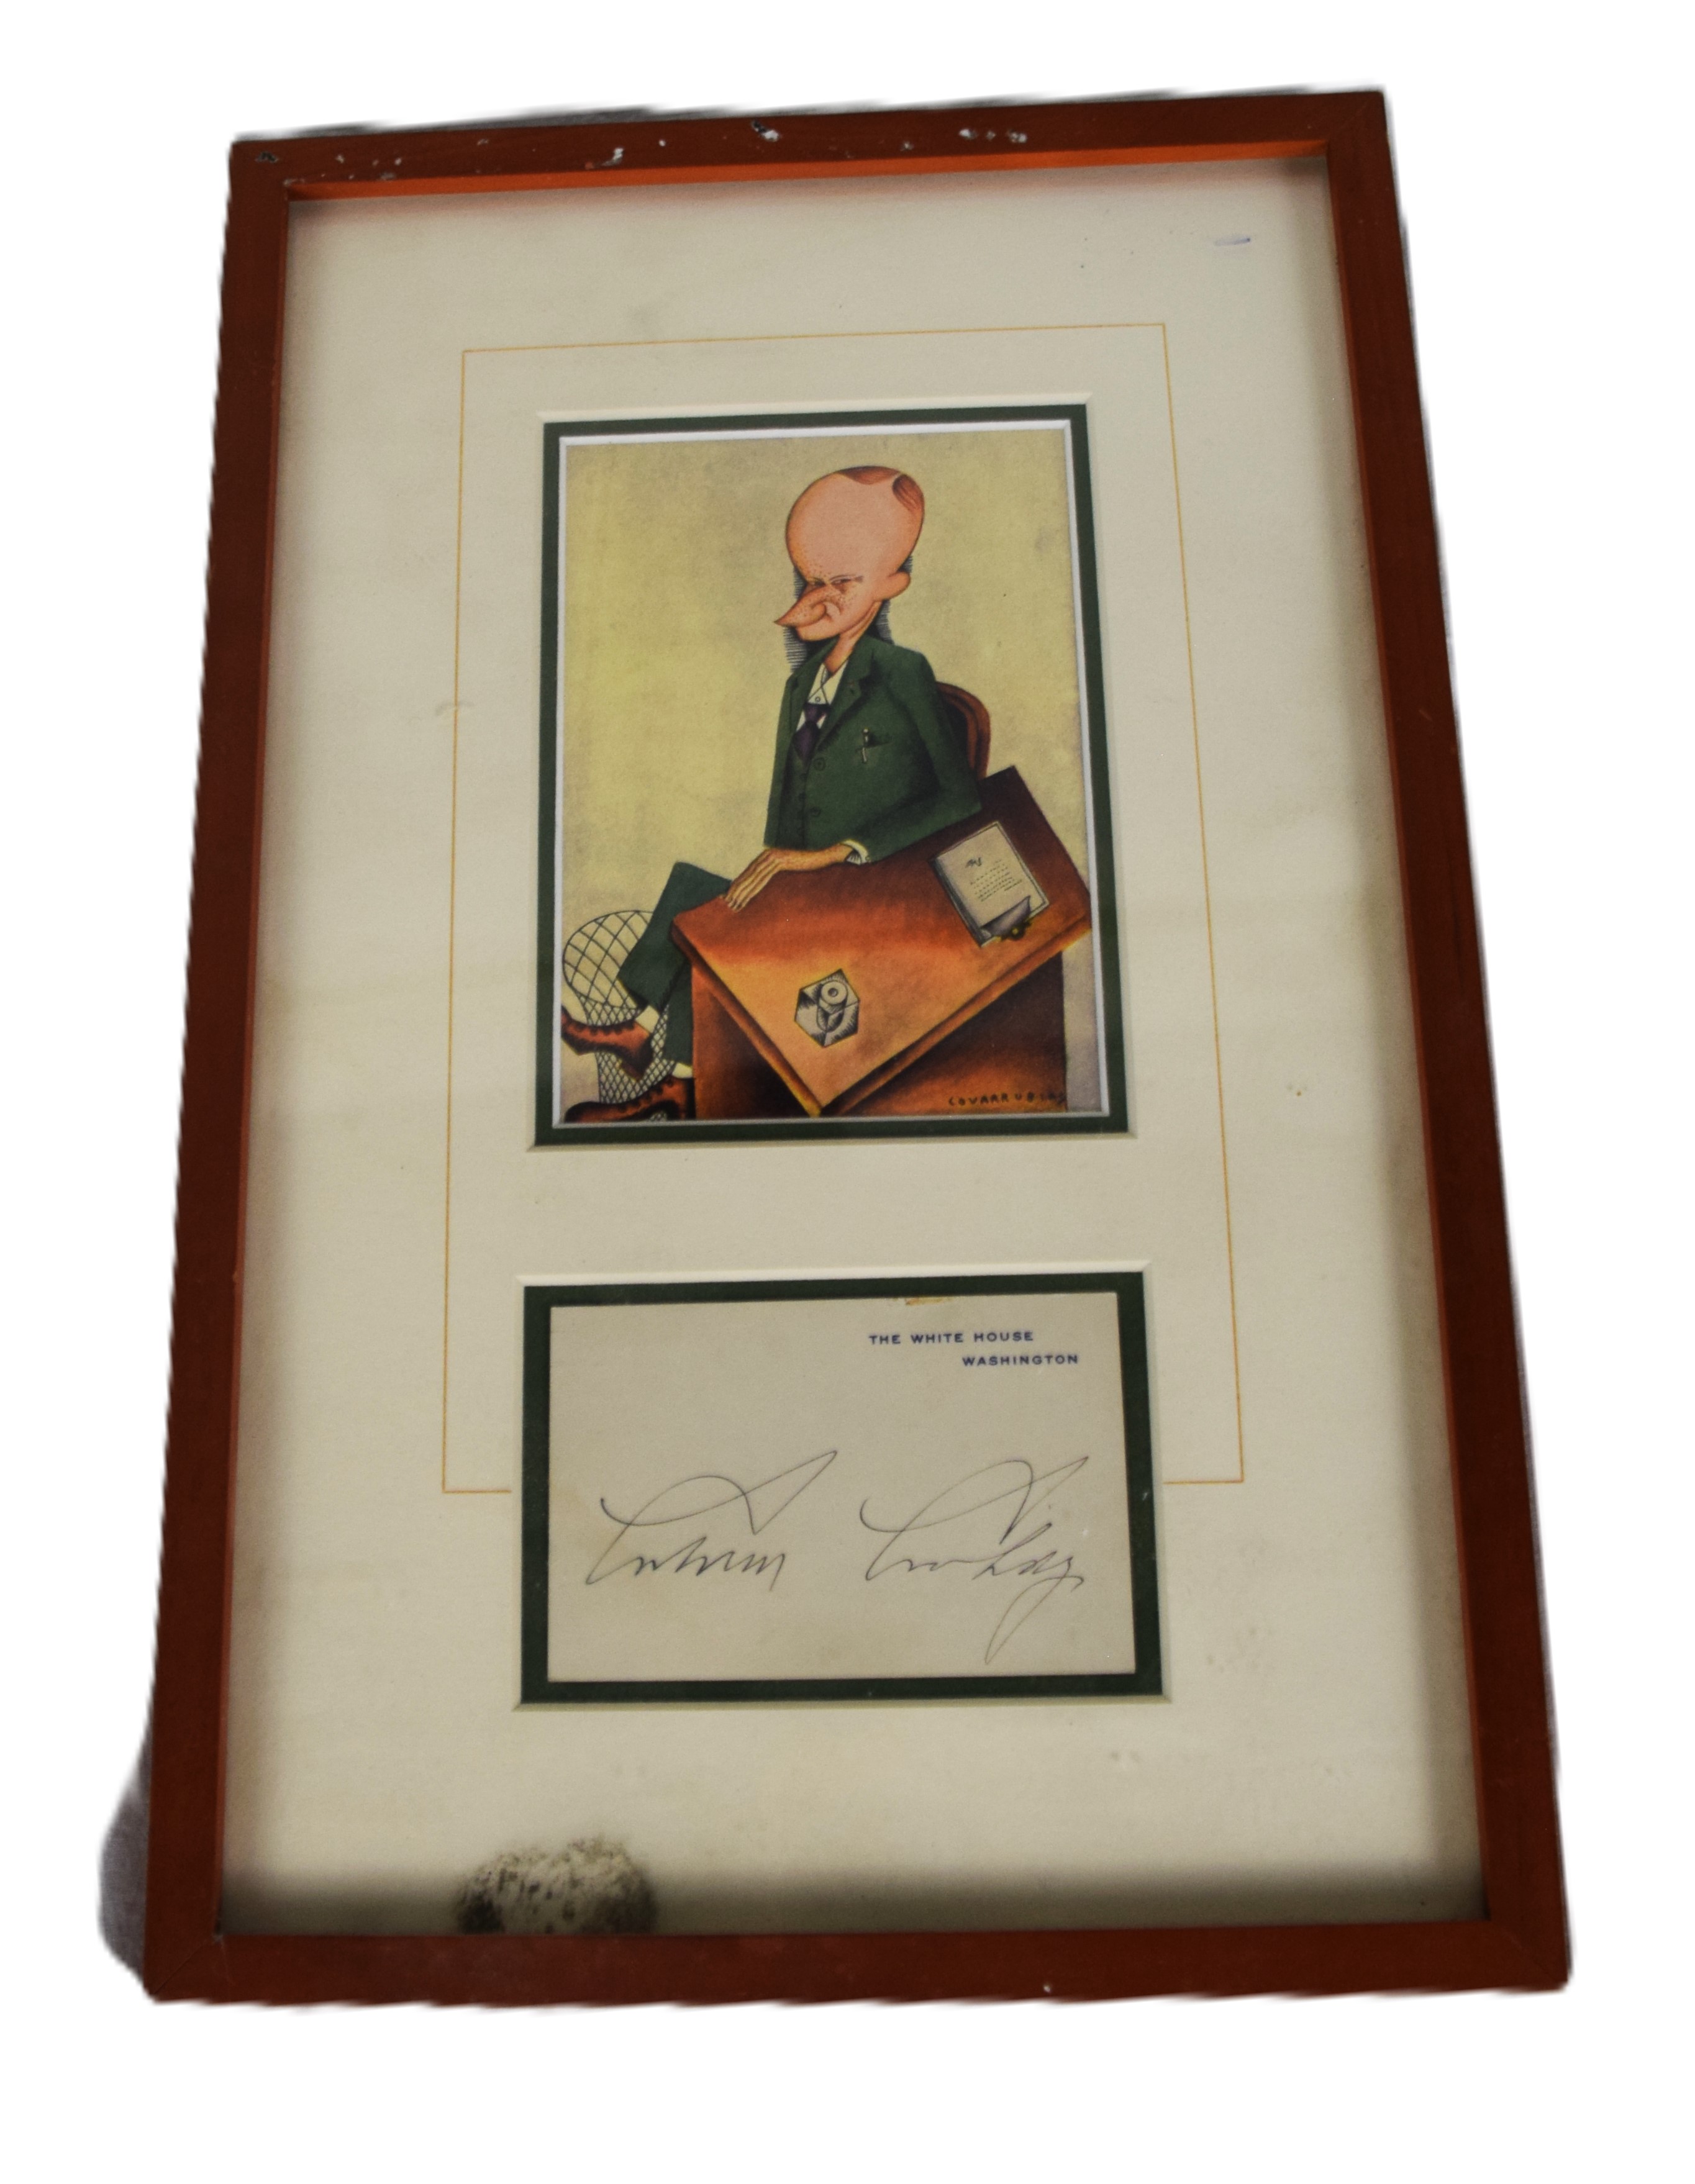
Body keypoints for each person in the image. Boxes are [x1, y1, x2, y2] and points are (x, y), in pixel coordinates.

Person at [559, 464, 982, 1121]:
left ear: (890, 584)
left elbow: (960, 799)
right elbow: (787, 804)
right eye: (814, 580)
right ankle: (650, 1044)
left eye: (844, 582)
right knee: (697, 897)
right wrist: (774, 871)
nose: (823, 598)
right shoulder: (800, 684)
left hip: (870, 891)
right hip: (805, 886)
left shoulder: (903, 672)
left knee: (719, 926)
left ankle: (671, 1078)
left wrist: (837, 853)